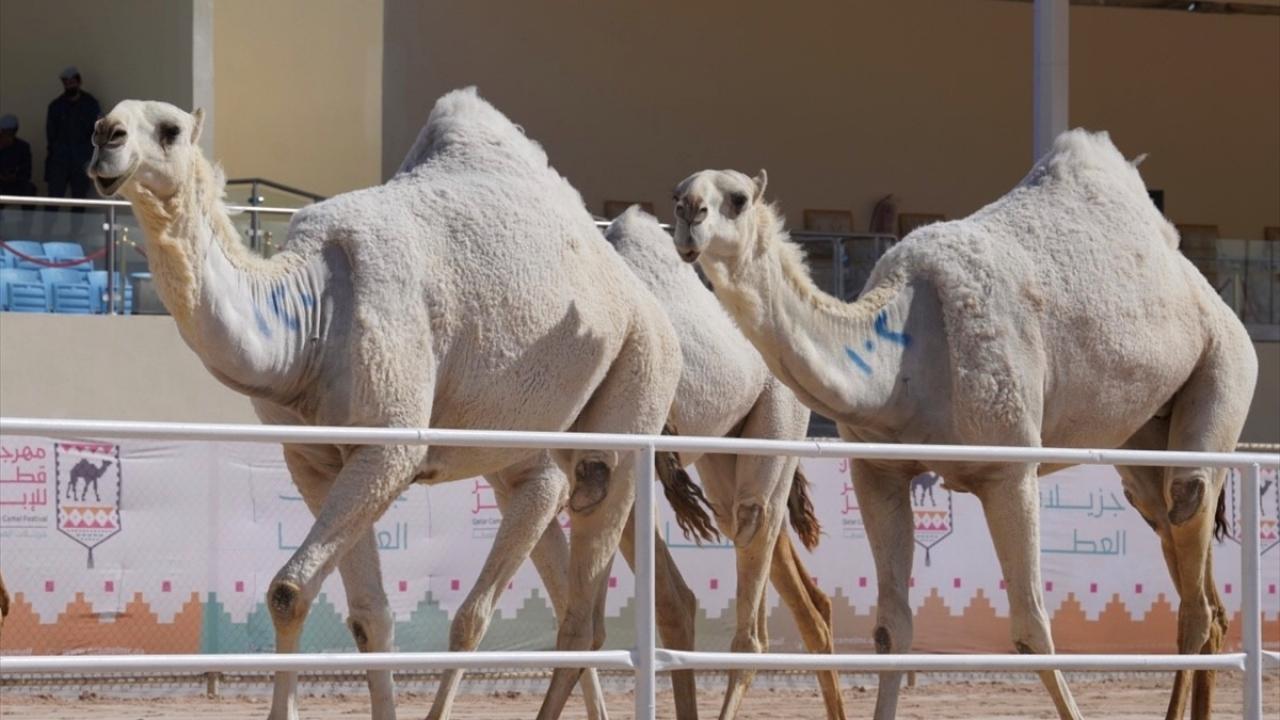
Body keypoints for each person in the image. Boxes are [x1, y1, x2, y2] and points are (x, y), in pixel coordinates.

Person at [45, 66, 100, 234]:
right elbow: (51, 135)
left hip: (81, 160)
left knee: (79, 201)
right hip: (59, 162)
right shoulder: (56, 106)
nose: (69, 86)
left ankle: (75, 237)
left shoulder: (90, 104)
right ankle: (45, 235)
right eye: (66, 83)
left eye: (72, 82)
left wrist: (91, 159)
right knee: (53, 201)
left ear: (79, 81)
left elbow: (97, 133)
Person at [0, 114, 37, 236]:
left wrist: (14, 177)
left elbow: (27, 171)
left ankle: (25, 231)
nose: (7, 135)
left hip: (15, 183)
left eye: (11, 132)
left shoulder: (22, 147)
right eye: (5, 131)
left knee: (30, 190)